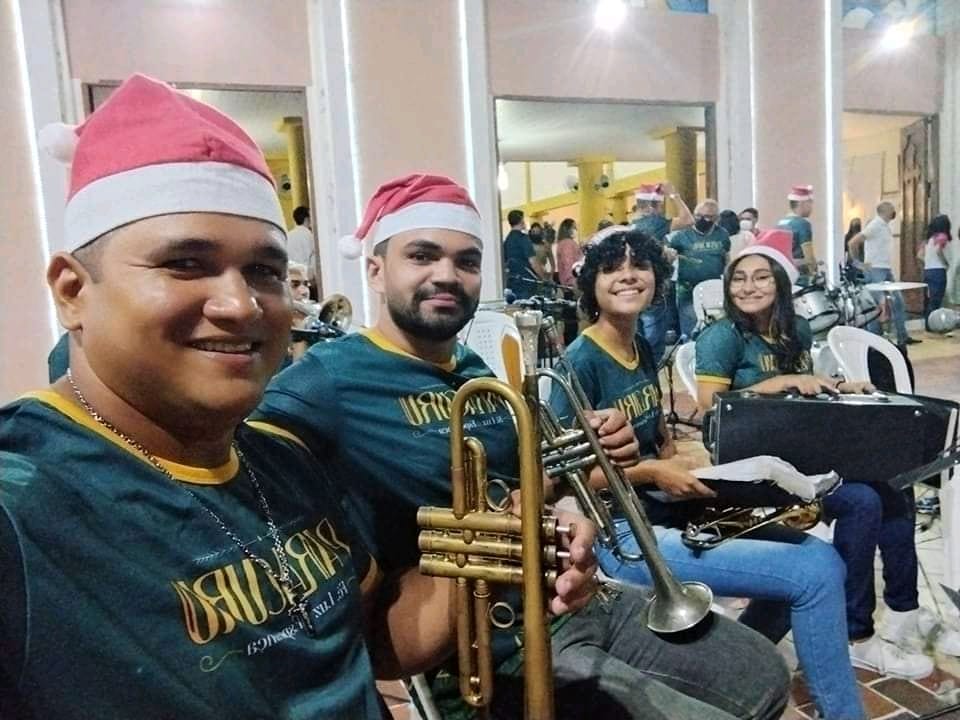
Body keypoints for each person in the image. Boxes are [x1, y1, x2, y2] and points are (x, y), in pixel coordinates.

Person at [0, 74, 596, 720]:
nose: (240, 305)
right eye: (185, 264)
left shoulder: (281, 461)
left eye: (264, 271)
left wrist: (502, 545)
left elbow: (371, 640)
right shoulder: (22, 504)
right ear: (72, 292)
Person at [255, 173, 791, 720]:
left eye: (467, 261)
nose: (447, 275)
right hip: (491, 644)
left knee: (764, 677)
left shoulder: (472, 369)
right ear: (375, 270)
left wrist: (574, 496)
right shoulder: (328, 379)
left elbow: (531, 484)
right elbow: (236, 463)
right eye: (422, 256)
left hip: (569, 597)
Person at [550, 225, 865, 720]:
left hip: (668, 509)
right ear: (590, 284)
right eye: (612, 269)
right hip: (622, 535)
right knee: (817, 572)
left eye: (640, 266)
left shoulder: (640, 347)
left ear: (657, 277)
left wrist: (685, 462)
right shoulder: (579, 362)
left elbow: (658, 434)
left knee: (813, 559)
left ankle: (728, 671)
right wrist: (654, 472)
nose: (628, 276)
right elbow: (565, 477)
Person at [695, 233, 959, 680]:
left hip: (800, 449)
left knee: (895, 484)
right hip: (752, 466)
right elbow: (709, 406)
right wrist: (774, 385)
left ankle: (904, 612)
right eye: (738, 278)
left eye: (761, 277)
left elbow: (804, 387)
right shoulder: (722, 337)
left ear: (781, 284)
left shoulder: (794, 329)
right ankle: (855, 636)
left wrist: (837, 386)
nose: (748, 287)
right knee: (862, 501)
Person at [632, 182, 695, 363]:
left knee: (638, 333)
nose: (662, 210)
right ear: (652, 206)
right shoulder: (654, 222)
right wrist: (674, 195)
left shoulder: (634, 225)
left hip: (637, 285)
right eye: (660, 205)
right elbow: (688, 220)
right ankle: (651, 366)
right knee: (653, 335)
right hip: (653, 285)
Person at [847, 201, 918, 346]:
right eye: (892, 209)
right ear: (884, 211)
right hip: (875, 269)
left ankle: (902, 336)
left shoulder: (885, 226)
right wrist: (858, 264)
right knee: (875, 306)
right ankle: (875, 338)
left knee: (898, 302)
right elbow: (853, 242)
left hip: (885, 269)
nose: (894, 211)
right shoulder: (875, 225)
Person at [669, 199, 731, 339]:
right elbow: (667, 253)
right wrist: (669, 254)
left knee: (715, 333)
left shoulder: (722, 234)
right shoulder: (681, 236)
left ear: (716, 218)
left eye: (708, 216)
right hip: (688, 291)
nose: (702, 220)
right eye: (698, 215)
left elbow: (727, 258)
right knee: (691, 331)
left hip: (715, 291)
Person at [776, 185, 816, 278]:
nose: (811, 208)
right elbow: (809, 256)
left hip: (783, 274)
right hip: (799, 277)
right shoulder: (802, 224)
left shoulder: (780, 223)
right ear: (802, 203)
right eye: (810, 203)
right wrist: (814, 272)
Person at [920, 214, 952, 330]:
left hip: (927, 270)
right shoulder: (942, 237)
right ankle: (933, 325)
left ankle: (927, 324)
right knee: (936, 299)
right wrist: (945, 263)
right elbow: (939, 250)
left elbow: (919, 255)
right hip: (938, 271)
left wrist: (928, 262)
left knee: (928, 299)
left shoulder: (928, 239)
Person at [502, 208, 537, 298]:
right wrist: (544, 277)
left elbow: (505, 262)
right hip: (527, 282)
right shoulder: (523, 238)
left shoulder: (507, 241)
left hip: (512, 282)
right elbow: (533, 262)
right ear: (521, 221)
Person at [287, 205, 316, 284]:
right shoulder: (309, 236)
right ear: (307, 219)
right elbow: (313, 260)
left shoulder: (288, 235)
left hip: (292, 278)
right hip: (307, 279)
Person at [555, 217, 582, 289]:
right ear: (567, 229)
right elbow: (568, 264)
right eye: (574, 227)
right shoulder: (567, 243)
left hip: (568, 282)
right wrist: (573, 282)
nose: (576, 230)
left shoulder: (564, 242)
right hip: (572, 284)